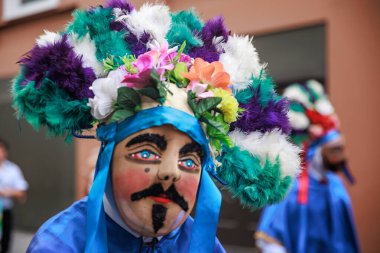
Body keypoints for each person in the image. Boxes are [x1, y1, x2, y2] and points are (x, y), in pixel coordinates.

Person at [12, 1, 301, 252]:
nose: (171, 173)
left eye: (189, 160)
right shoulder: (60, 245)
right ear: (108, 158)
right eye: (147, 153)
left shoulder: (202, 245)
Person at [255, 80, 360, 253]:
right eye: (335, 150)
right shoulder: (290, 189)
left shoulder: (336, 187)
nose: (342, 156)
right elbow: (268, 240)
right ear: (317, 152)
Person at [0, 138, 28, 253]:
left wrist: (5, 192)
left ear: (5, 151)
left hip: (5, 212)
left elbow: (22, 193)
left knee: (5, 243)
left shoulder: (13, 170)